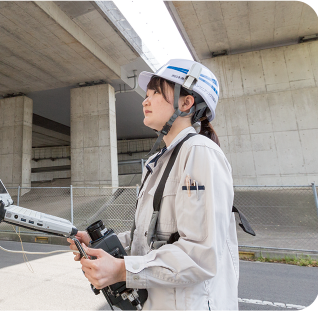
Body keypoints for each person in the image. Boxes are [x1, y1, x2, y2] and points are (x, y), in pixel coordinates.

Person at [68, 59, 239, 310]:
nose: (144, 101)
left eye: (156, 92)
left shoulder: (200, 152)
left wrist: (121, 269)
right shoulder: (160, 161)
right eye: (146, 95)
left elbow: (200, 254)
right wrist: (101, 244)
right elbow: (149, 237)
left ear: (186, 102)